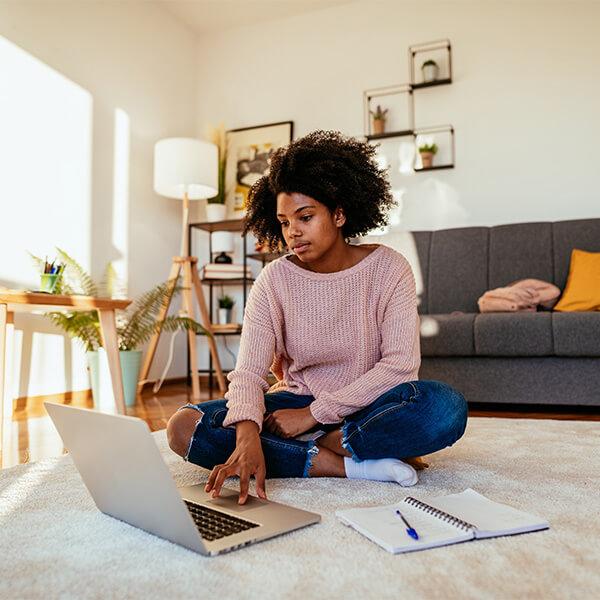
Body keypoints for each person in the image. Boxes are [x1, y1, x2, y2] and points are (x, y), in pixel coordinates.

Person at [167, 130, 468, 505]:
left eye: (305, 217)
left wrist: (314, 417)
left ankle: (321, 442)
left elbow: (400, 367)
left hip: (368, 405)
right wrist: (246, 438)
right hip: (292, 404)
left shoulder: (390, 269)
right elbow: (247, 374)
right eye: (283, 222)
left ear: (339, 214)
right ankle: (350, 463)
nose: (293, 231)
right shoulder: (274, 280)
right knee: (184, 428)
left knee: (445, 408)